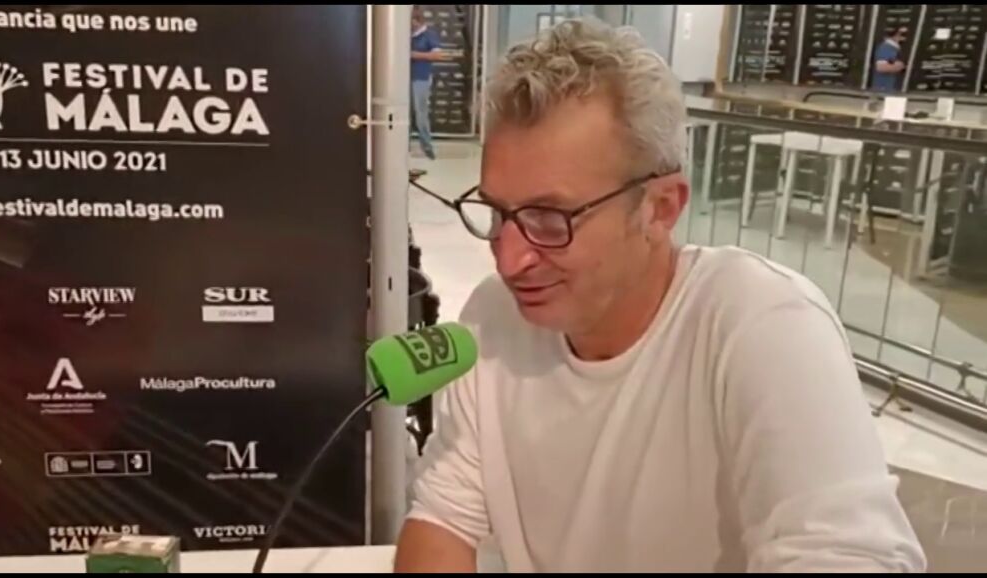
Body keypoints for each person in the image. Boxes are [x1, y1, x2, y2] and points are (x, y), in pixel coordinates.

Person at [394, 19, 925, 573]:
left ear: (660, 208)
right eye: (498, 213)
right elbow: (444, 517)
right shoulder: (494, 317)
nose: (509, 260)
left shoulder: (764, 324)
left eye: (550, 219)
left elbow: (848, 553)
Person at [411, 8, 446, 160]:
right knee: (405, 114)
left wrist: (415, 55)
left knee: (421, 113)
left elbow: (437, 55)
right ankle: (404, 148)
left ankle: (427, 147)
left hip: (421, 78)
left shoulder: (429, 35)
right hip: (406, 79)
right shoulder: (408, 35)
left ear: (417, 21)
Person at [871, 27, 908, 92]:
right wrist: (903, 66)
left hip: (892, 89)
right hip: (884, 89)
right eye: (901, 34)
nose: (903, 37)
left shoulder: (895, 48)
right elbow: (881, 67)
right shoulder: (886, 47)